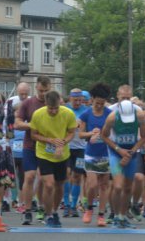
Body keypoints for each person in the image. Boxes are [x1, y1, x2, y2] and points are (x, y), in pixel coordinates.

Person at [30, 90, 78, 228]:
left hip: (62, 154)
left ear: (60, 103)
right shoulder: (38, 115)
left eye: (56, 108)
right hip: (44, 153)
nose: (53, 111)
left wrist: (62, 142)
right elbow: (33, 135)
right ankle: (48, 213)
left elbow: (71, 133)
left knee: (59, 185)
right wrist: (49, 140)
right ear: (46, 105)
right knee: (49, 184)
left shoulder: (68, 113)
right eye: (50, 108)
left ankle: (55, 211)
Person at [102, 99, 145, 228]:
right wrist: (119, 150)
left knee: (128, 187)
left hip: (131, 151)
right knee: (117, 186)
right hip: (116, 152)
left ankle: (123, 216)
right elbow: (104, 136)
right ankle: (116, 215)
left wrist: (131, 152)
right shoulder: (112, 117)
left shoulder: (139, 116)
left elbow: (144, 137)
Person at [15, 75, 51, 224]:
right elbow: (17, 123)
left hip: (47, 145)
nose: (43, 94)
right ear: (36, 87)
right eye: (41, 90)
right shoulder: (28, 103)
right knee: (29, 177)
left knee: (43, 179)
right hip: (30, 145)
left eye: (46, 90)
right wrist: (32, 125)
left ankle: (42, 208)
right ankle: (28, 210)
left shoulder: (54, 102)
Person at [79, 83, 113, 227]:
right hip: (91, 153)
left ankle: (101, 214)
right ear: (92, 99)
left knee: (104, 185)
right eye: (97, 102)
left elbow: (113, 133)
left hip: (105, 153)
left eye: (102, 103)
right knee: (92, 185)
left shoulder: (109, 114)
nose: (99, 105)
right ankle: (89, 209)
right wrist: (90, 134)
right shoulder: (86, 114)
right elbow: (80, 134)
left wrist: (105, 135)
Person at [63, 89, 89, 217]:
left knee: (77, 176)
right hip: (66, 147)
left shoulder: (86, 111)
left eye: (80, 100)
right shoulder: (65, 110)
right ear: (70, 99)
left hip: (81, 148)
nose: (78, 102)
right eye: (75, 100)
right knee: (67, 175)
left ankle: (74, 205)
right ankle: (66, 204)